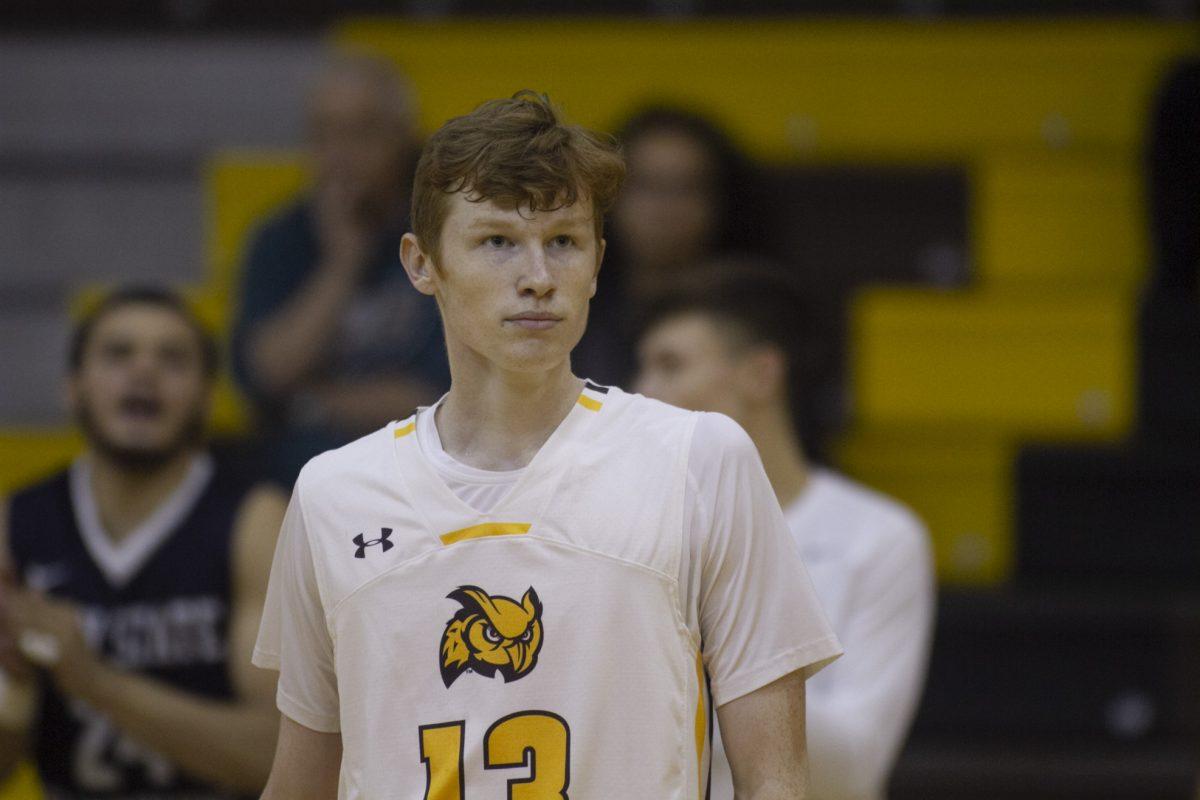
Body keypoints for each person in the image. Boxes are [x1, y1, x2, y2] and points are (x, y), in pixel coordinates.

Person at [253, 91, 842, 799]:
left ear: (597, 261)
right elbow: (300, 784)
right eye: (497, 241)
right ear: (421, 264)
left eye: (563, 240)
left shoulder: (701, 458)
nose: (537, 277)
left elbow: (776, 783)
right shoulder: (333, 495)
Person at [635, 262, 935, 800]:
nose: (642, 393)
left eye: (670, 366)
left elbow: (857, 765)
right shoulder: (626, 531)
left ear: (761, 375)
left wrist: (709, 665)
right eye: (644, 369)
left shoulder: (879, 537)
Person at [0, 287, 285, 798]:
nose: (143, 372)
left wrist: (92, 679)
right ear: (74, 387)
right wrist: (10, 690)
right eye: (118, 353)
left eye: (172, 358)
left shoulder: (255, 521)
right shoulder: (16, 523)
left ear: (205, 394)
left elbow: (278, 758)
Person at [232, 55, 449, 486]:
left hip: (425, 472)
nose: (341, 154)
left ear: (405, 138)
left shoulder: (444, 233)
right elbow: (267, 374)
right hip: (297, 480)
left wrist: (311, 404)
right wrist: (342, 263)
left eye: (362, 133)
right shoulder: (279, 239)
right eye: (324, 134)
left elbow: (440, 398)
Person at [574, 105, 761, 385]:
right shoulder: (571, 307)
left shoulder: (757, 314)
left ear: (721, 201)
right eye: (648, 185)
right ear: (610, 197)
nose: (667, 209)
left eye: (688, 187)